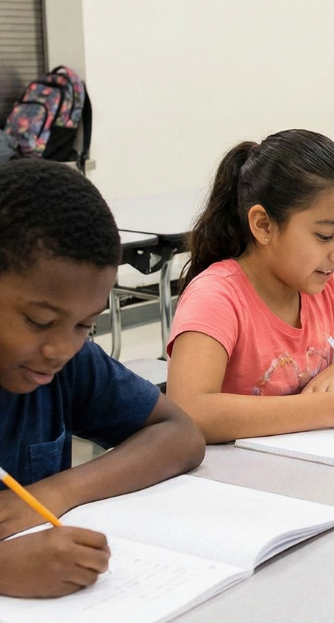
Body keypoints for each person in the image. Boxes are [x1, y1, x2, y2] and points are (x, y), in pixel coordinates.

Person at [0, 159, 205, 598]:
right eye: (38, 320)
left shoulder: (67, 365)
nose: (61, 349)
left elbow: (180, 434)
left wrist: (57, 491)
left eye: (84, 326)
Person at [165, 129, 334, 445]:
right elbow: (190, 412)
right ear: (263, 225)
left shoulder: (327, 287)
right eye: (324, 236)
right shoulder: (217, 296)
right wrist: (326, 409)